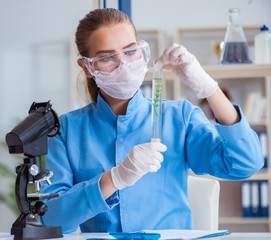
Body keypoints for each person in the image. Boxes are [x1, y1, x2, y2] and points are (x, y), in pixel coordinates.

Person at [41, 8, 264, 233]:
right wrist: (113, 179)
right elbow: (50, 219)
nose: (123, 65)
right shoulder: (66, 130)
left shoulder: (179, 118)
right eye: (107, 57)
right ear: (87, 67)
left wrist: (209, 88)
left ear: (141, 50)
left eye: (130, 51)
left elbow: (245, 164)